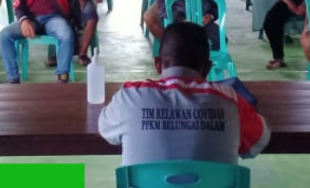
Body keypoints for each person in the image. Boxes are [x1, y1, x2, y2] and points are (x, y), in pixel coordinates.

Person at [98, 21, 270, 167]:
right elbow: (260, 139)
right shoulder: (230, 100)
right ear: (207, 68)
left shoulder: (129, 97)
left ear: (157, 64)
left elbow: (105, 129)